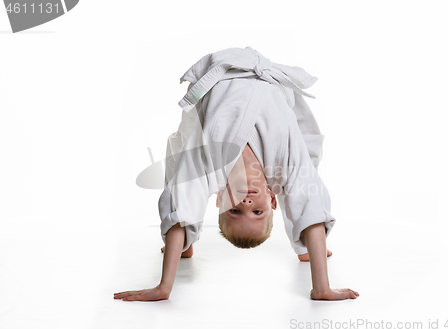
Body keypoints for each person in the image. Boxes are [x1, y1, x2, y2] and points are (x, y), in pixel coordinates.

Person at [114, 47, 359, 302]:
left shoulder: (209, 167)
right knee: (305, 184)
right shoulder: (283, 167)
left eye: (235, 211)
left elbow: (182, 207)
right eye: (257, 212)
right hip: (270, 80)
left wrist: (164, 287)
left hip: (222, 72)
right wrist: (322, 288)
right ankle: (307, 247)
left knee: (179, 170)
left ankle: (184, 246)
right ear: (273, 200)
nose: (247, 204)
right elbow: (311, 210)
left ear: (219, 199)